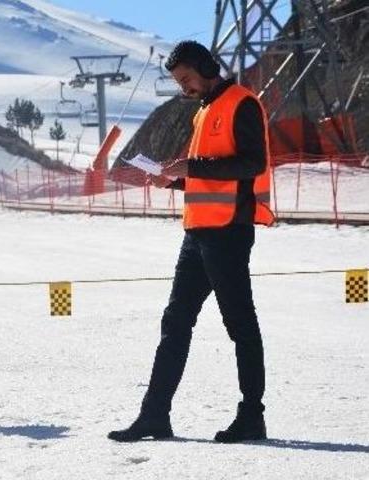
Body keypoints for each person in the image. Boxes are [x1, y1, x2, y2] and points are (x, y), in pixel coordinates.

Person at [108, 40, 274, 444]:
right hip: (196, 234)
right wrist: (175, 179)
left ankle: (252, 416)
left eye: (186, 78)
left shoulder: (242, 103)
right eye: (178, 82)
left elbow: (253, 163)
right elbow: (210, 175)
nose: (183, 88)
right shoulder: (203, 110)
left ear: (204, 66)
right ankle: (154, 416)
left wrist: (193, 166)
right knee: (175, 324)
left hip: (228, 234)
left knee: (240, 326)